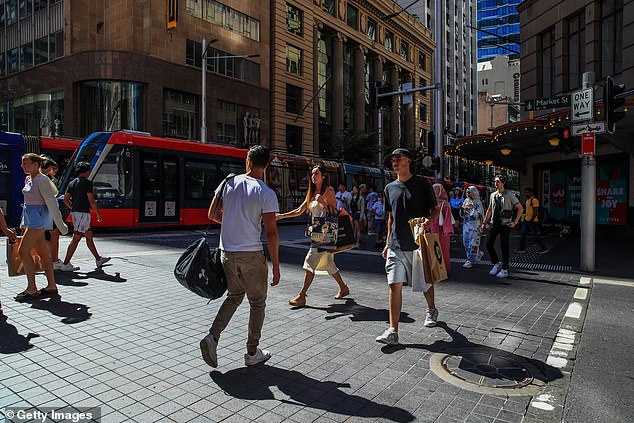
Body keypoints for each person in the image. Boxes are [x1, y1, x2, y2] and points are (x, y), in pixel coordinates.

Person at [201, 145, 281, 368]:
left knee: (234, 296)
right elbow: (272, 232)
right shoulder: (265, 192)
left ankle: (212, 337)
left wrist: (231, 222)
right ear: (265, 166)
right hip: (251, 255)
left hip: (227, 253)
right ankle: (252, 352)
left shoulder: (228, 182)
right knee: (257, 302)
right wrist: (276, 266)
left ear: (248, 161)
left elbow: (211, 214)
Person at [376, 148, 440, 346]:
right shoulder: (389, 188)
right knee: (394, 286)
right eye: (392, 160)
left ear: (409, 161)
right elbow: (391, 217)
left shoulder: (422, 183)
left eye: (398, 159)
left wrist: (428, 221)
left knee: (424, 283)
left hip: (418, 245)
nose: (394, 162)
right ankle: (393, 330)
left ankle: (431, 309)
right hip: (396, 245)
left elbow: (435, 210)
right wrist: (387, 242)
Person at [276, 163, 350, 307]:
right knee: (328, 262)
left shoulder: (328, 191)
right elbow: (299, 210)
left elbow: (335, 213)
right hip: (317, 230)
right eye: (312, 174)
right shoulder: (311, 192)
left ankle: (302, 295)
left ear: (323, 176)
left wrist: (324, 204)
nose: (313, 176)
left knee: (310, 259)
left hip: (326, 230)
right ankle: (343, 287)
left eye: (316, 174)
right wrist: (281, 216)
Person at [15, 154, 69, 302]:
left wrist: (61, 225)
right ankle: (51, 285)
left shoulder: (42, 180)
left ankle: (32, 288)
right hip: (32, 219)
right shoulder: (30, 179)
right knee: (44, 254)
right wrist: (23, 223)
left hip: (38, 220)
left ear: (35, 165)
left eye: (25, 163)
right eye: (22, 163)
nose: (22, 166)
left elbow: (52, 204)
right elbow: (28, 204)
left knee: (23, 251)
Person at [59, 162, 110, 272]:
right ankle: (65, 264)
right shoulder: (87, 183)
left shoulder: (72, 183)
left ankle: (98, 259)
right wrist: (98, 214)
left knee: (89, 235)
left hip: (76, 213)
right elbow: (91, 201)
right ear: (87, 171)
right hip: (83, 213)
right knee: (76, 238)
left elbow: (65, 200)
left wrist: (73, 207)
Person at [482, 175, 524, 279]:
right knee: (488, 243)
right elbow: (489, 209)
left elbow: (520, 208)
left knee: (504, 245)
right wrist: (484, 223)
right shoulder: (493, 195)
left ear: (503, 182)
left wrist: (515, 222)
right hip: (494, 223)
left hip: (506, 224)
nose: (496, 183)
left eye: (498, 181)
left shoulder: (509, 194)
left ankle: (505, 269)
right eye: (495, 181)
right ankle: (496, 263)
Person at [40, 156, 63, 270]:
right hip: (48, 211)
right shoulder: (45, 179)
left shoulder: (34, 177)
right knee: (55, 235)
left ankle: (49, 260)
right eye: (54, 169)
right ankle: (54, 260)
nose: (55, 172)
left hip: (40, 211)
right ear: (49, 168)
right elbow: (50, 198)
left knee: (45, 237)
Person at [516, 187, 548, 254]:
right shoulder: (528, 200)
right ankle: (522, 248)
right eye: (525, 192)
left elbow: (535, 211)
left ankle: (544, 248)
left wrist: (531, 220)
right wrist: (525, 219)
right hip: (526, 221)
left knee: (535, 236)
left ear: (531, 193)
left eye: (528, 192)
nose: (526, 194)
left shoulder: (534, 200)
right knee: (523, 235)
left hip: (532, 221)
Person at [430, 184, 454, 274]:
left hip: (433, 229)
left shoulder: (431, 203)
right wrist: (447, 230)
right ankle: (443, 270)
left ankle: (435, 269)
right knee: (443, 250)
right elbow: (447, 218)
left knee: (433, 249)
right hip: (443, 231)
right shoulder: (445, 203)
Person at [461, 186, 485, 268]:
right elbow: (462, 214)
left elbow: (479, 215)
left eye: (469, 192)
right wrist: (463, 210)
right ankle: (477, 254)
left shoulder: (478, 202)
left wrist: (472, 209)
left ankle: (470, 260)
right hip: (466, 225)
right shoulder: (466, 201)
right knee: (466, 242)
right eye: (467, 192)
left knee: (473, 244)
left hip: (475, 226)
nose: (468, 194)